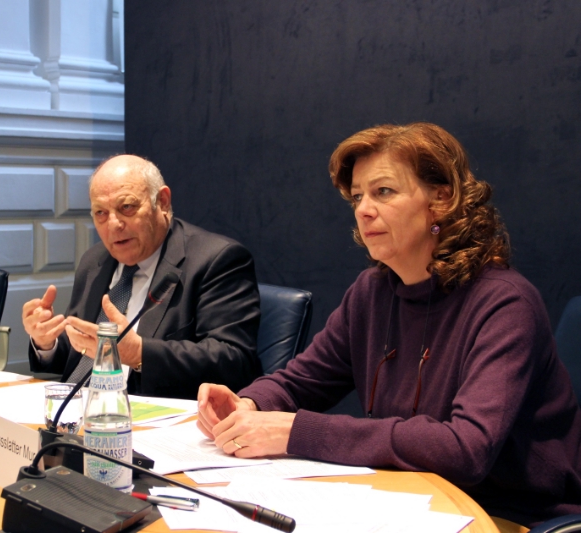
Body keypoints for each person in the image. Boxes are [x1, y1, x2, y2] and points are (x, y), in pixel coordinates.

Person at [197, 123, 581, 527]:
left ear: (441, 200)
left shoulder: (505, 304)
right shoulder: (372, 291)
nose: (364, 209)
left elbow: (466, 450)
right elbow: (300, 382)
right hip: (406, 501)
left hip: (510, 516)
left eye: (383, 191)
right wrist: (249, 404)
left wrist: (298, 431)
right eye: (357, 196)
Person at [23, 154, 261, 399]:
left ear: (162, 202)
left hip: (153, 414)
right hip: (74, 409)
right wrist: (46, 342)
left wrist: (139, 353)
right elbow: (81, 356)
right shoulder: (94, 261)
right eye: (100, 212)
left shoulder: (216, 260)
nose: (113, 224)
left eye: (126, 207)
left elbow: (234, 361)